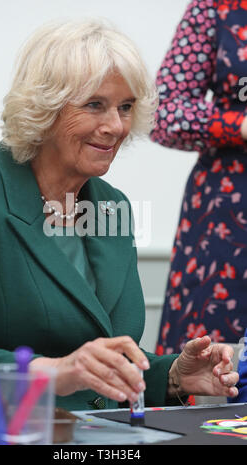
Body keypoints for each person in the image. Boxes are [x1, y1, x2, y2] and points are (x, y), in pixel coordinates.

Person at [0, 19, 239, 411]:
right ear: (44, 106)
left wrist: (171, 375)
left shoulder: (112, 205)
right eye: (94, 105)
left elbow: (106, 363)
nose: (116, 126)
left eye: (126, 107)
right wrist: (55, 372)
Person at [150, 0, 247, 355]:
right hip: (228, 218)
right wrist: (240, 125)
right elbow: (162, 112)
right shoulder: (217, 6)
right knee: (210, 366)